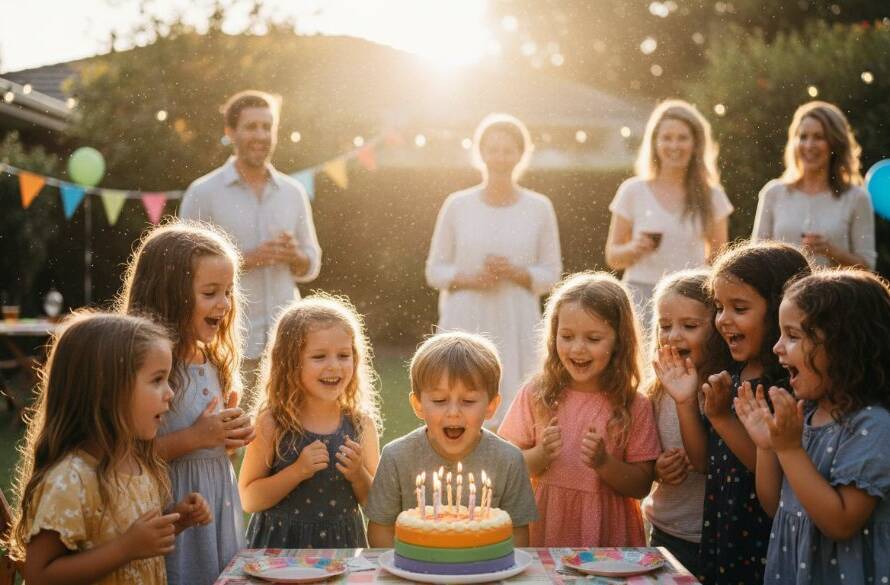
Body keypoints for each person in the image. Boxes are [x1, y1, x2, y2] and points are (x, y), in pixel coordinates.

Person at [6, 312, 211, 585]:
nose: (170, 393)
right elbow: (38, 575)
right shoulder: (70, 480)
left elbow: (126, 539)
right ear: (107, 391)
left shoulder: (137, 462)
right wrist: (127, 548)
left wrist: (177, 521)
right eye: (157, 380)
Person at [656, 241, 811, 584]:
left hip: (759, 535)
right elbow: (702, 462)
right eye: (719, 307)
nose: (723, 319)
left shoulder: (785, 386)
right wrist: (688, 402)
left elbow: (768, 464)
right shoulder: (730, 374)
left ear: (779, 309)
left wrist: (722, 418)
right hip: (723, 530)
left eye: (739, 308)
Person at [735, 269, 890, 585]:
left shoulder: (873, 426)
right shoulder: (804, 415)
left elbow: (841, 523)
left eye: (792, 336)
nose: (777, 347)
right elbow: (774, 505)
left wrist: (789, 449)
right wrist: (768, 446)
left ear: (843, 346)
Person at [118, 221, 252, 585]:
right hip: (172, 511)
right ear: (168, 296)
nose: (224, 304)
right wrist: (195, 438)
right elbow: (124, 455)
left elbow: (218, 452)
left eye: (228, 291)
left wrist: (229, 439)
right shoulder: (147, 371)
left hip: (217, 508)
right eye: (210, 292)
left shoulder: (214, 362)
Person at [179, 90, 322, 405]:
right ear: (231, 132)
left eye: (267, 127)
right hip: (228, 342)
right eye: (251, 127)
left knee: (290, 431)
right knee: (233, 430)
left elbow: (312, 263)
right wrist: (247, 259)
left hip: (289, 342)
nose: (260, 135)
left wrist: (295, 256)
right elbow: (182, 266)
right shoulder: (204, 192)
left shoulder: (293, 192)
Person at [498, 271, 660, 547]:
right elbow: (508, 467)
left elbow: (641, 485)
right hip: (547, 525)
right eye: (567, 336)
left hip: (607, 536)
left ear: (619, 341)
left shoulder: (634, 405)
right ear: (554, 335)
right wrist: (540, 455)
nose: (577, 349)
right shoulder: (537, 394)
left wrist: (604, 463)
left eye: (593, 339)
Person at [425, 113, 562, 426]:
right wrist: (472, 279)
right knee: (459, 397)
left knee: (517, 410)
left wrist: (515, 272)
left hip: (516, 320)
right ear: (481, 153)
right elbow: (435, 270)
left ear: (521, 154)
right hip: (466, 317)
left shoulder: (539, 207)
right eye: (493, 150)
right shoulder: (457, 205)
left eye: (508, 150)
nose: (500, 158)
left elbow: (551, 273)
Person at [365, 331, 538, 547]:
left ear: (491, 406)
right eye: (439, 400)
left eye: (468, 401)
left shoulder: (509, 460)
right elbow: (380, 530)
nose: (453, 412)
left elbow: (518, 535)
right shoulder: (396, 457)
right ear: (418, 405)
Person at [239, 294, 382, 548]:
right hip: (280, 551)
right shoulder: (272, 423)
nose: (334, 366)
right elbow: (249, 498)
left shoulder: (361, 425)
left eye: (343, 355)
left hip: (341, 551)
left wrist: (358, 474)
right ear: (290, 363)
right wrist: (297, 472)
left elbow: (376, 505)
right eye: (319, 357)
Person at [606, 99, 733, 324]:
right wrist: (633, 248)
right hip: (639, 296)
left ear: (696, 143)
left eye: (682, 138)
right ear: (655, 142)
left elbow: (718, 261)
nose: (674, 145)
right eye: (666, 138)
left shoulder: (713, 196)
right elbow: (613, 257)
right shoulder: (633, 190)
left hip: (691, 299)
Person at [645, 270, 731, 576]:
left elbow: (705, 462)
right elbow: (643, 456)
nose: (673, 336)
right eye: (665, 325)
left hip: (713, 535)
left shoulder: (722, 389)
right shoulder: (656, 392)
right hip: (665, 531)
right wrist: (656, 468)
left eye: (690, 326)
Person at [752, 101, 876, 269]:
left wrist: (833, 252)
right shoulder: (773, 193)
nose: (809, 146)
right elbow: (756, 259)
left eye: (819, 137)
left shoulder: (857, 198)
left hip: (836, 287)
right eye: (803, 137)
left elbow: (868, 267)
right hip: (781, 287)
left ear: (835, 143)